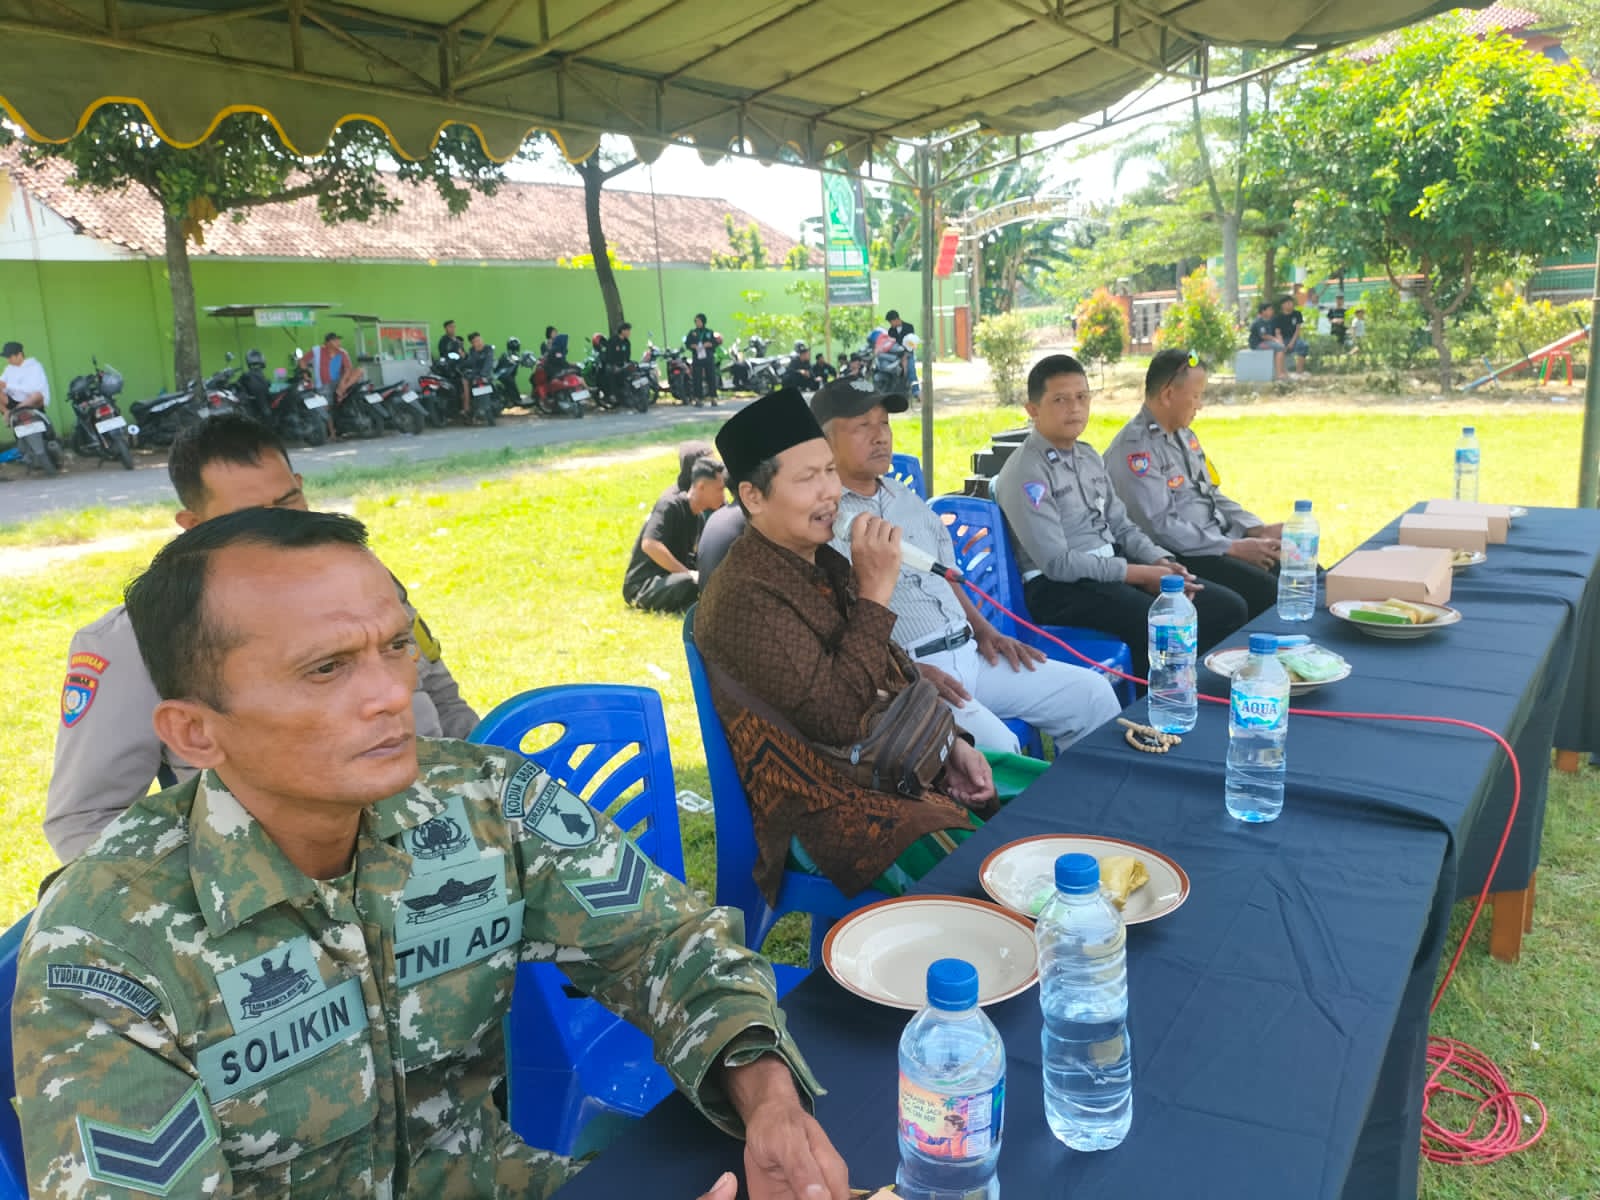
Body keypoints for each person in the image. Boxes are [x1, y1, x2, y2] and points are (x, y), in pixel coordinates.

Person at [13, 506, 848, 1200]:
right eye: (327, 668)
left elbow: (670, 942)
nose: (391, 693)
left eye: (396, 645)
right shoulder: (106, 949)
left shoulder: (484, 802)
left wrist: (767, 1096)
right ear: (195, 733)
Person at [44, 414, 478, 862]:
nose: (281, 527)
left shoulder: (364, 586)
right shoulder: (138, 639)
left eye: (289, 502)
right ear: (194, 524)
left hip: (448, 846)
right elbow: (85, 820)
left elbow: (446, 705)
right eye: (249, 519)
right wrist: (216, 891)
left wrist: (489, 802)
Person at [696, 388, 997, 901]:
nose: (830, 492)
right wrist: (876, 595)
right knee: (991, 879)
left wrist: (953, 744)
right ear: (753, 496)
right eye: (807, 479)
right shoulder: (744, 596)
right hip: (829, 808)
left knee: (1046, 805)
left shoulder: (821, 560)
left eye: (830, 471)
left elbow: (891, 670)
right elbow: (836, 717)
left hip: (893, 766)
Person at [816, 377, 1121, 753]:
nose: (880, 436)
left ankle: (1091, 792)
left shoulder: (907, 499)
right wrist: (898, 673)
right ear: (824, 443)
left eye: (884, 423)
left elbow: (949, 577)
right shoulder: (824, 523)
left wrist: (985, 630)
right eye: (863, 426)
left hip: (971, 652)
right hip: (913, 674)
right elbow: (831, 631)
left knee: (1091, 696)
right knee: (999, 749)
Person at [993, 354, 1248, 680]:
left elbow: (1122, 525)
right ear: (1033, 409)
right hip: (1060, 589)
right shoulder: (1027, 471)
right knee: (1163, 624)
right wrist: (1139, 574)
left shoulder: (1087, 456)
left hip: (1112, 570)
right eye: (1060, 400)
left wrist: (1160, 560)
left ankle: (1192, 689)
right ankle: (1155, 700)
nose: (1074, 408)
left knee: (1225, 607)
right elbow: (1058, 563)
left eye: (1081, 397)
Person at [1105, 349, 1284, 619]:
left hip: (1214, 540)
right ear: (1168, 395)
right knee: (1269, 592)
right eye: (1197, 396)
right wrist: (1233, 548)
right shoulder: (1136, 450)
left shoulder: (1184, 435)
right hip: (1179, 554)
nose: (1200, 405)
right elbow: (1161, 527)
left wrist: (1256, 528)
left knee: (1296, 567)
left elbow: (1211, 493)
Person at [623, 451, 728, 614]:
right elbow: (650, 544)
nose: (723, 496)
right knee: (691, 582)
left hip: (673, 580)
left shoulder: (699, 517)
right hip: (644, 586)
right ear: (701, 486)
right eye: (719, 489)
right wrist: (687, 573)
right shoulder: (670, 505)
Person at [302, 331, 363, 404]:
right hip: (324, 385)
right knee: (326, 405)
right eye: (335, 340)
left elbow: (348, 369)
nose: (338, 342)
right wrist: (306, 376)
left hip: (339, 382)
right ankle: (339, 396)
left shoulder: (342, 352)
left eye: (338, 340)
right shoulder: (317, 350)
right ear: (327, 343)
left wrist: (342, 384)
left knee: (360, 370)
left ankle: (340, 391)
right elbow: (302, 361)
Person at [2, 339, 50, 409]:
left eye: (10, 357)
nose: (8, 360)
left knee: (37, 395)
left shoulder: (35, 366)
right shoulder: (8, 368)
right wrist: (3, 387)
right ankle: (8, 412)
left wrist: (7, 385)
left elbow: (32, 389)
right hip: (14, 401)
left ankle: (16, 410)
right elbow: (3, 384)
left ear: (19, 355)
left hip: (33, 401)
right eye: (7, 358)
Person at [1247, 300, 1287, 380]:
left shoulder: (1268, 320)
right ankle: (1279, 374)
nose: (1272, 311)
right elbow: (1264, 336)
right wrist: (1275, 340)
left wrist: (1278, 339)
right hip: (1257, 344)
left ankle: (1283, 372)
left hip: (1265, 342)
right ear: (1263, 311)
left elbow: (1275, 333)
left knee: (1281, 347)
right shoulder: (1259, 321)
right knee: (1280, 348)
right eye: (1270, 309)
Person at [459, 330, 495, 418]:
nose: (479, 343)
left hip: (486, 374)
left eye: (480, 340)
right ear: (472, 343)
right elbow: (470, 362)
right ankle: (467, 407)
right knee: (464, 380)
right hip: (475, 374)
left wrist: (483, 374)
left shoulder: (488, 348)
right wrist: (461, 363)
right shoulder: (472, 350)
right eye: (476, 341)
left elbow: (489, 362)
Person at [685, 313, 720, 405]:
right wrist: (693, 346)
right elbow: (687, 343)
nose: (697, 323)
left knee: (711, 377)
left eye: (699, 321)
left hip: (708, 357)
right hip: (697, 358)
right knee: (697, 378)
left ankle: (713, 398)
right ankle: (698, 399)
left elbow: (715, 343)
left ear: (703, 322)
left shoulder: (709, 332)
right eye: (696, 321)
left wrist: (709, 344)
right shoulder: (692, 333)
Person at [884, 310, 919, 396]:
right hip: (896, 355)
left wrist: (905, 355)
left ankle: (916, 391)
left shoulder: (909, 327)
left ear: (896, 319)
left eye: (890, 322)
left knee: (911, 370)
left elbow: (911, 342)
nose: (890, 324)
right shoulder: (890, 331)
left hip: (908, 353)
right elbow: (892, 345)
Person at [1274, 296, 1310, 375]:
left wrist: (1292, 343)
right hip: (1283, 339)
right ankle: (1281, 373)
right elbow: (1278, 333)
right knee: (1280, 348)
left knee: (1304, 345)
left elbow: (1298, 330)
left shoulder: (1297, 314)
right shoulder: (1278, 317)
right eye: (1288, 303)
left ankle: (1299, 372)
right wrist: (1282, 344)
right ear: (1282, 305)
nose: (1291, 304)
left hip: (1294, 339)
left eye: (1291, 302)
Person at [605, 321, 635, 404]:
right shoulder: (613, 340)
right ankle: (612, 394)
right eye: (628, 330)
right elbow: (608, 355)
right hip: (612, 364)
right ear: (622, 331)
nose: (629, 332)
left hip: (623, 364)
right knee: (611, 373)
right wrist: (614, 365)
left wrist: (628, 363)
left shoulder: (627, 342)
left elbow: (627, 356)